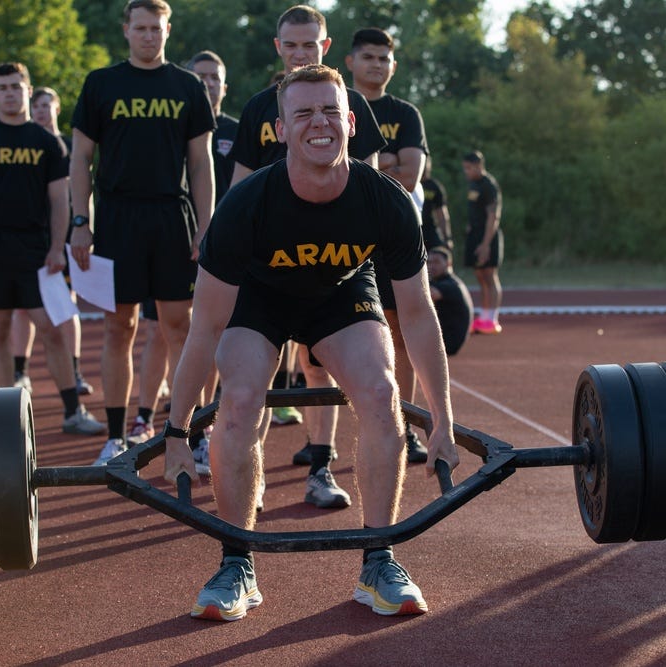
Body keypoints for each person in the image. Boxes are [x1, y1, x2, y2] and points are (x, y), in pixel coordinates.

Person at [163, 65, 458, 621]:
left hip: (340, 293)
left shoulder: (387, 202)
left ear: (350, 122)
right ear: (280, 129)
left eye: (329, 111)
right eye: (303, 113)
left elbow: (418, 316)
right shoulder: (245, 206)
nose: (318, 123)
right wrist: (177, 431)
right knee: (241, 400)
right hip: (261, 296)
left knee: (380, 392)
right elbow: (203, 328)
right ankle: (236, 562)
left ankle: (379, 560)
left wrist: (443, 419)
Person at [229, 5, 387, 504]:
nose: (301, 54)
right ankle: (248, 477)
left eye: (310, 45)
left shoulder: (350, 103)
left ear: (325, 45)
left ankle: (320, 470)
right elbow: (237, 191)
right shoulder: (259, 108)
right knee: (254, 371)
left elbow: (370, 187)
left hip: (332, 268)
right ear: (279, 48)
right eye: (292, 45)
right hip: (268, 269)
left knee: (321, 369)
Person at [69, 0, 216, 465]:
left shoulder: (187, 86)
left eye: (157, 28)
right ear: (126, 31)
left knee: (182, 328)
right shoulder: (101, 84)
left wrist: (206, 224)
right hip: (116, 219)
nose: (149, 35)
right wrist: (79, 222)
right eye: (141, 28)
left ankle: (192, 433)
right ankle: (116, 436)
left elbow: (201, 162)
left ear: (168, 30)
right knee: (119, 326)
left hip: (172, 218)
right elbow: (79, 159)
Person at [0, 62, 105, 437]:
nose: (10, 92)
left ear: (27, 90)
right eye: (3, 87)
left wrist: (58, 247)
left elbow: (59, 202)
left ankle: (73, 410)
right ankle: (5, 412)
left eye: (16, 86)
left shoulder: (47, 143)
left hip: (36, 250)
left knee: (52, 329)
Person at [127, 50, 235, 467]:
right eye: (199, 76)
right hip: (174, 237)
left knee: (212, 332)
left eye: (214, 77)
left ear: (224, 86)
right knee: (158, 329)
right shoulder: (168, 125)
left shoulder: (237, 131)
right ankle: (143, 416)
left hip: (224, 248)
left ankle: (202, 424)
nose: (206, 83)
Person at [345, 27, 430, 464]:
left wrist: (370, 168)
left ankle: (408, 425)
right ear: (351, 62)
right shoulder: (336, 103)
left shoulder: (405, 113)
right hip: (347, 239)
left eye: (384, 58)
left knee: (401, 335)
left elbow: (411, 177)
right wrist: (387, 162)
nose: (377, 64)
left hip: (395, 236)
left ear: (392, 66)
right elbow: (334, 174)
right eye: (369, 57)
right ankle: (325, 442)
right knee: (331, 340)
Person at [10, 86, 94, 397]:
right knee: (22, 308)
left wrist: (82, 229)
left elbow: (84, 194)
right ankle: (20, 371)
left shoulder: (71, 148)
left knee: (65, 305)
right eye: (37, 106)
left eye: (47, 105)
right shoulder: (26, 144)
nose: (42, 110)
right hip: (33, 238)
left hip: (68, 236)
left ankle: (73, 371)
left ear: (57, 109)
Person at [462, 150, 503, 334]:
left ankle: (492, 319)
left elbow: (493, 216)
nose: (467, 171)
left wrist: (486, 244)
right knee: (479, 275)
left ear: (479, 166)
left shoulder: (489, 185)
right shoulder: (473, 184)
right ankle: (484, 316)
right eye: (465, 168)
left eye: (469, 168)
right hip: (475, 235)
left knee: (489, 275)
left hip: (488, 236)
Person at [427, 246, 473, 356]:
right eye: (429, 262)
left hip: (449, 342)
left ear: (448, 263)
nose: (432, 266)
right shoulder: (444, 281)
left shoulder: (450, 285)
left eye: (437, 262)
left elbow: (429, 294)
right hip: (446, 339)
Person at [420, 156, 452, 250]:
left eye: (427, 163)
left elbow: (442, 214)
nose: (425, 167)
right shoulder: (408, 183)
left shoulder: (434, 187)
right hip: (411, 229)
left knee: (439, 253)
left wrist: (447, 238)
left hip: (429, 230)